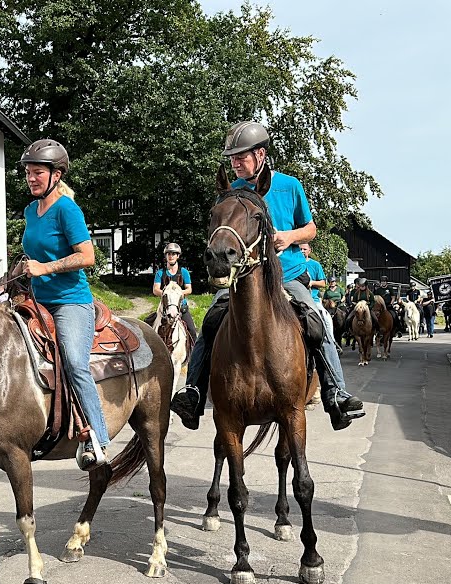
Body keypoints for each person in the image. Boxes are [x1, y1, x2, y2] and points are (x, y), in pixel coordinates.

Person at [170, 121, 365, 431]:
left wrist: (289, 237)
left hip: (287, 274)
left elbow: (311, 228)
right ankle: (193, 392)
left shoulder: (290, 186)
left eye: (241, 157)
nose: (234, 163)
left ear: (261, 155)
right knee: (211, 321)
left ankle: (335, 394)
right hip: (243, 278)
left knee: (318, 320)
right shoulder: (232, 192)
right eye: (232, 158)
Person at [19, 139, 111, 470]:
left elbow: (87, 256)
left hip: (70, 301)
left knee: (74, 361)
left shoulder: (67, 209)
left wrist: (46, 268)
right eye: (28, 172)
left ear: (56, 175)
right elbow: (33, 253)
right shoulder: (31, 210)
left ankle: (97, 437)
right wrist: (21, 270)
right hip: (35, 301)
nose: (31, 178)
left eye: (38, 172)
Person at [151, 242, 198, 340]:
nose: (171, 256)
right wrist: (167, 294)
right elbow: (155, 289)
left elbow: (189, 289)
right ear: (166, 256)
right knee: (148, 327)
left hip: (181, 307)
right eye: (169, 254)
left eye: (173, 254)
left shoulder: (184, 272)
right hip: (164, 308)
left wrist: (177, 294)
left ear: (178, 256)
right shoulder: (160, 273)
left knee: (192, 331)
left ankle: (193, 354)